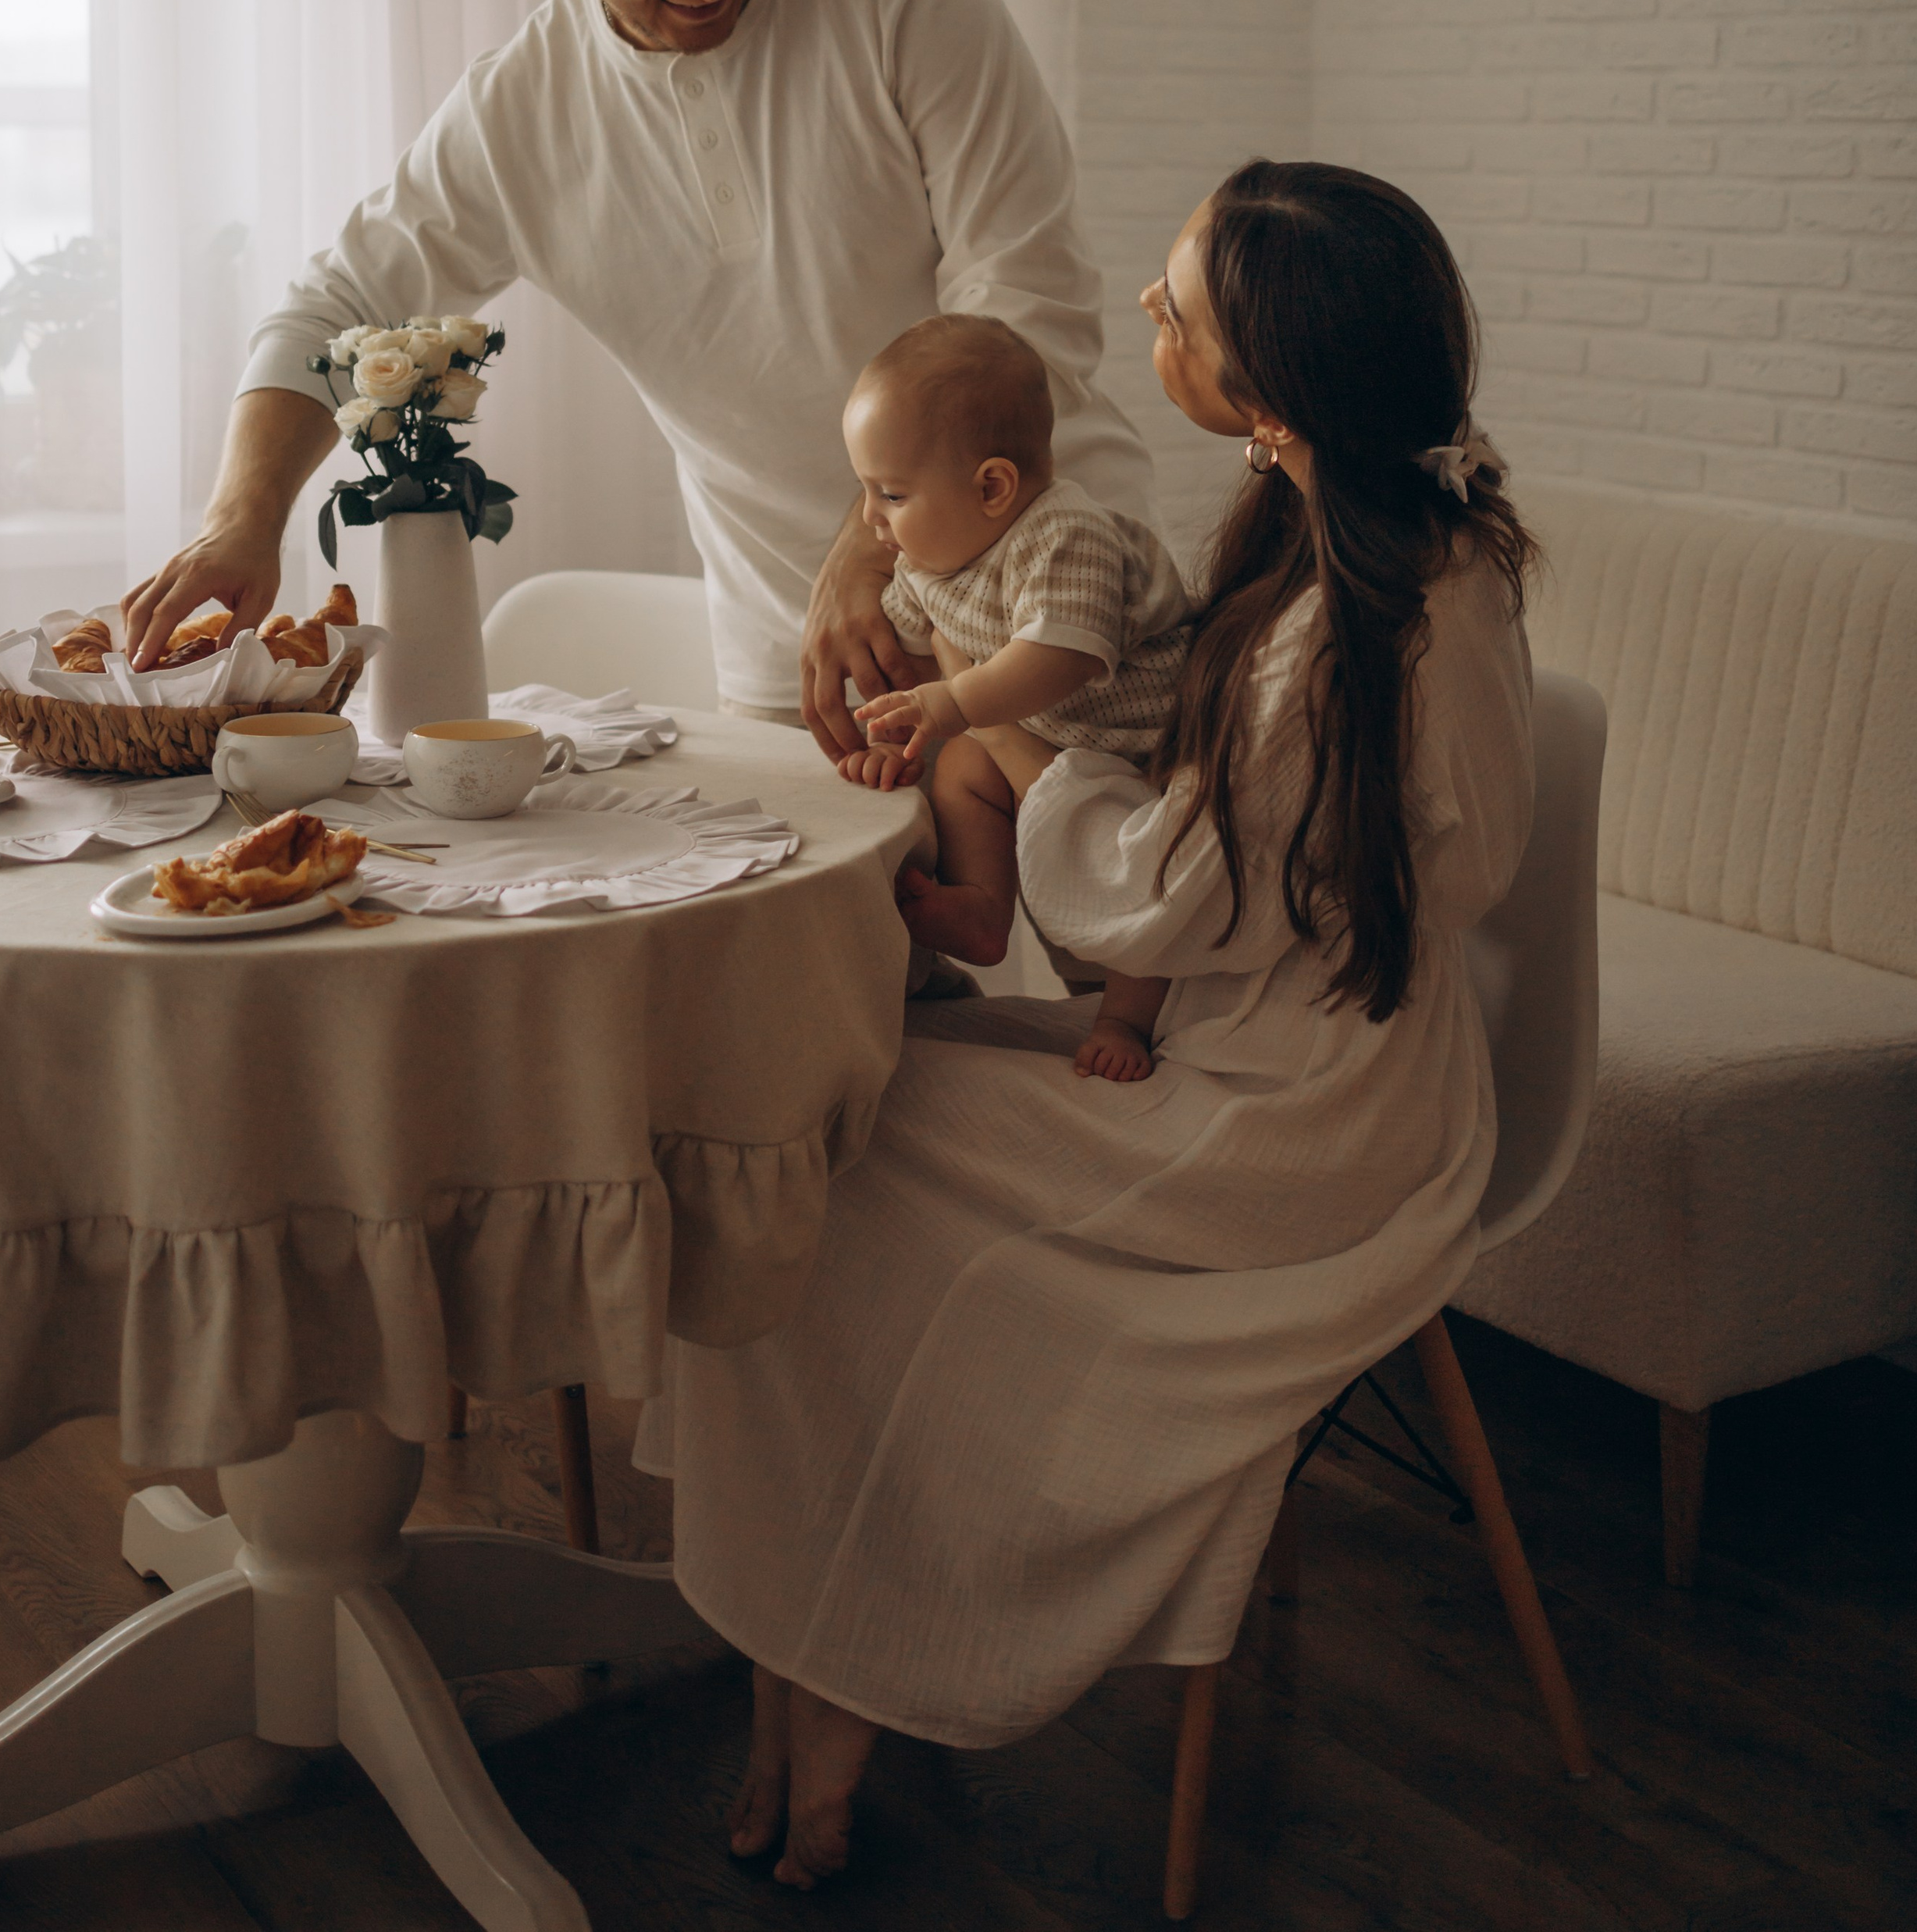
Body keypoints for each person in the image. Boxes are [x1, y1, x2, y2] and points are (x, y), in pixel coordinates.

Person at [641, 158, 1538, 1890]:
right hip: (1295, 1049)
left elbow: (1170, 904)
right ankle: (815, 1640)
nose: (1145, 310)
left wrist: (1025, 765)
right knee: (825, 1111)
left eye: (1177, 304)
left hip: (1303, 1118)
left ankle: (833, 1663)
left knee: (831, 1172)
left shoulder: (1342, 636)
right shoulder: (1388, 545)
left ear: (1267, 383)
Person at [121, 0, 1153, 743]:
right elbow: (331, 308)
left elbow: (1027, 314)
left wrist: (872, 541)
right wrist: (241, 521)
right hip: (796, 653)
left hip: (1054, 610)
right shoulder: (520, 111)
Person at [836, 310, 1190, 1078]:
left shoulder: (1064, 532)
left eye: (889, 493)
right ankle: (982, 906)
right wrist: (891, 736)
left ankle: (1126, 1017)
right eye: (865, 490)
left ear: (992, 486)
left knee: (1150, 875)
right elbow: (912, 666)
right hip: (1055, 740)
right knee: (962, 766)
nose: (869, 519)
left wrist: (951, 704)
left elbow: (1063, 654)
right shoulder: (932, 561)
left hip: (1145, 749)